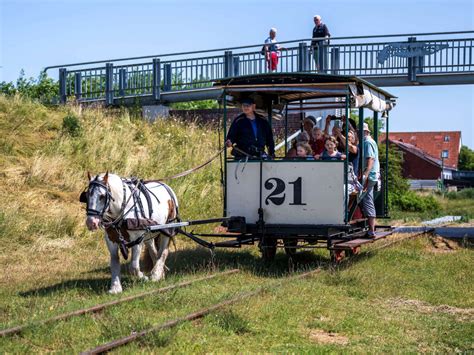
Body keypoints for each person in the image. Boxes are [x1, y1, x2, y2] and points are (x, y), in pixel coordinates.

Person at [361, 122, 380, 237]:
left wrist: (365, 174)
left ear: (366, 132)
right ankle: (370, 228)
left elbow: (370, 159)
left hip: (370, 175)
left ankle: (371, 230)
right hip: (372, 175)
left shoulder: (367, 142)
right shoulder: (368, 141)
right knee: (368, 198)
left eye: (361, 131)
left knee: (366, 199)